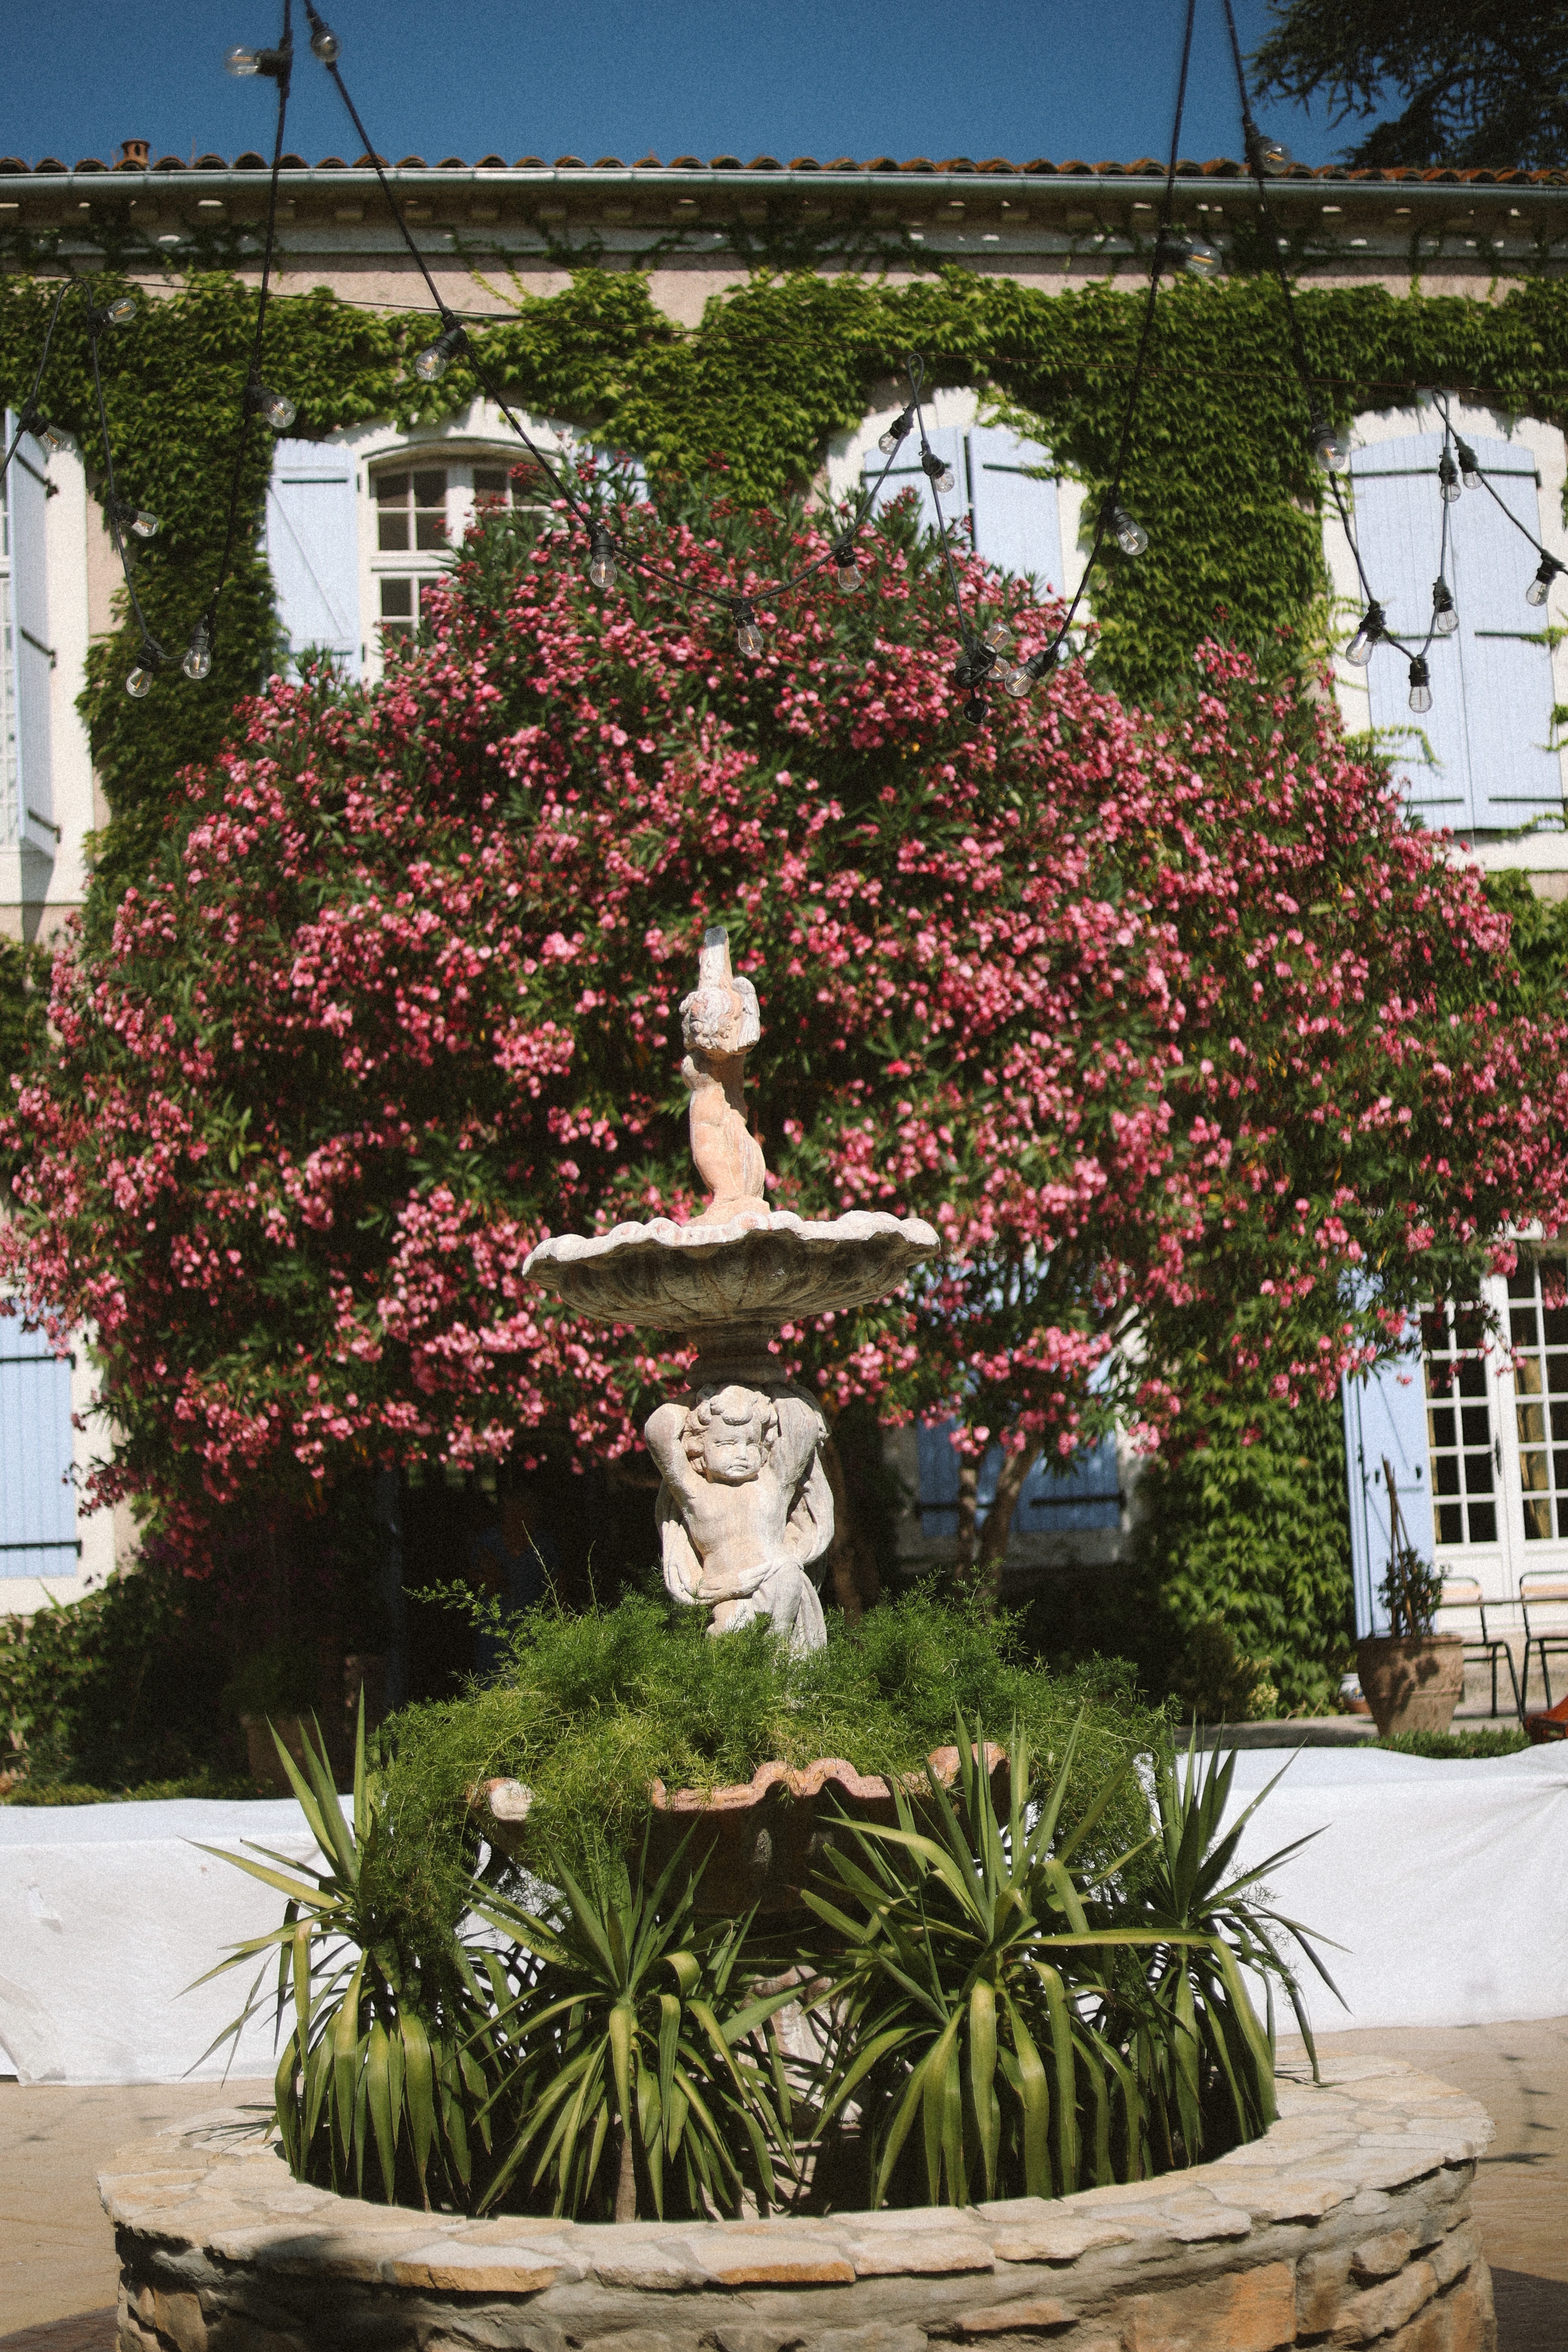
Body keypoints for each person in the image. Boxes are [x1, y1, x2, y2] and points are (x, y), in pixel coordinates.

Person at [468, 1479, 558, 1674]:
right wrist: (491, 1578)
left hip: (533, 1632)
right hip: (494, 1631)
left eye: (521, 1510)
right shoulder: (489, 1541)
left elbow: (559, 1589)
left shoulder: (543, 1544)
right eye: (510, 1511)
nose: (514, 1516)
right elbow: (475, 1582)